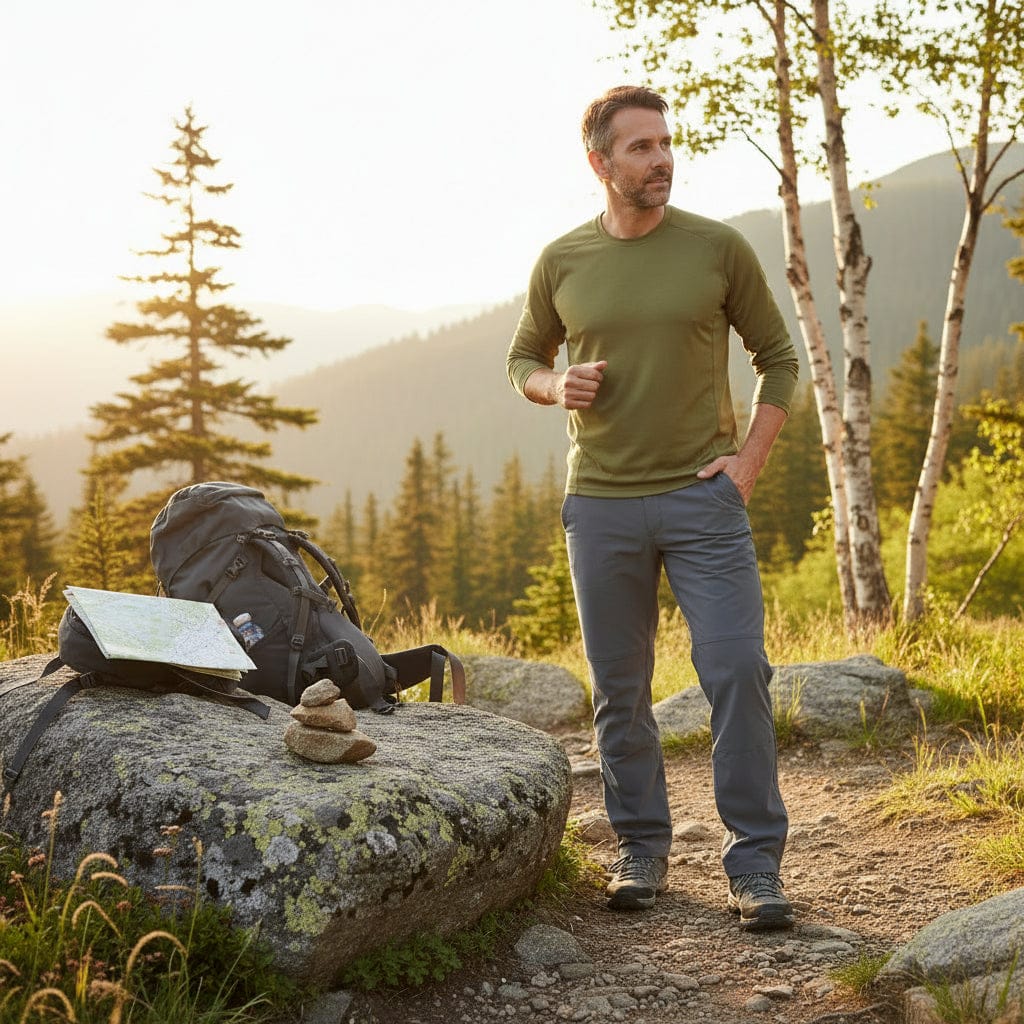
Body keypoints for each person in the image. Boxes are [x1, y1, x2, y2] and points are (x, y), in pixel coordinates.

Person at [505, 85, 799, 930]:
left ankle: (755, 865)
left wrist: (746, 462)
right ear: (599, 163)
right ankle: (641, 848)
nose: (661, 158)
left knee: (737, 669)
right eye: (639, 147)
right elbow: (522, 355)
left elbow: (779, 359)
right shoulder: (562, 261)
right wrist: (555, 383)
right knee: (619, 688)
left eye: (666, 143)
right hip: (598, 503)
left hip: (703, 501)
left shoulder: (716, 249)